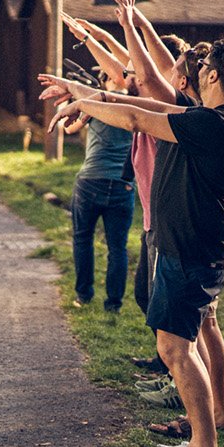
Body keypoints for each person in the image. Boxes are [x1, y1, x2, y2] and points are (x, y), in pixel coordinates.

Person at [41, 38, 224, 447]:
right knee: (178, 344)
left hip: (194, 252)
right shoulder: (211, 118)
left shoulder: (217, 125)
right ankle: (199, 441)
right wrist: (91, 95)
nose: (197, 67)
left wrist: (85, 99)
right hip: (188, 248)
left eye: (205, 64)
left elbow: (139, 117)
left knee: (176, 347)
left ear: (213, 76)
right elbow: (146, 105)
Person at [65, 68, 136, 311]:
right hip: (122, 184)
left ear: (105, 81)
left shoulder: (97, 104)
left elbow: (69, 128)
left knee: (82, 238)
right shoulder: (138, 105)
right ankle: (113, 304)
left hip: (91, 181)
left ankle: (83, 295)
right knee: (118, 247)